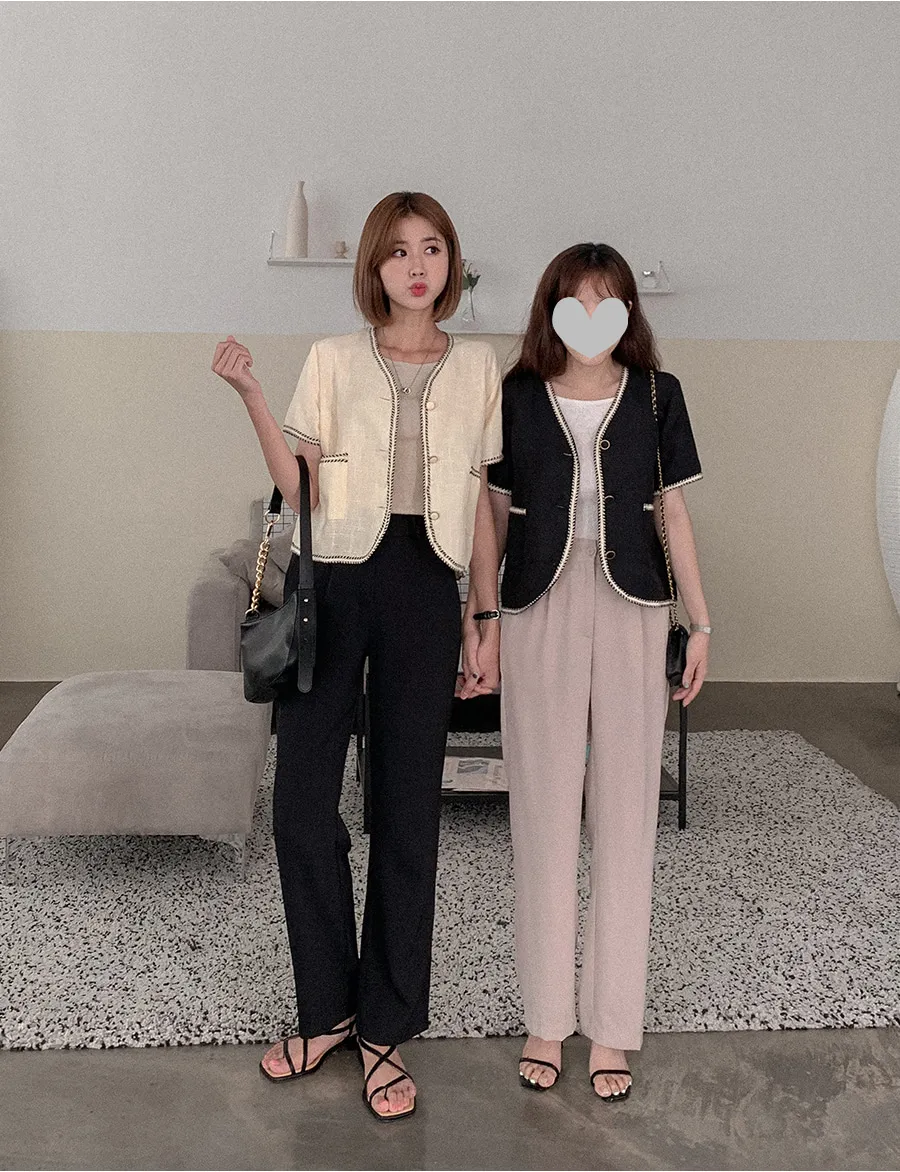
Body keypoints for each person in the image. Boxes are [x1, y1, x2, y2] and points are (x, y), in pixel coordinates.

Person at [211, 192, 502, 1120]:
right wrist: (254, 399)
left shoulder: (479, 366)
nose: (417, 265)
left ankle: (385, 1028)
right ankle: (327, 1008)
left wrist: (484, 615)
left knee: (408, 812)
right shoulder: (332, 359)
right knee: (302, 805)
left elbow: (482, 500)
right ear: (374, 266)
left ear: (451, 263)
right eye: (398, 251)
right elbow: (296, 487)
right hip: (333, 583)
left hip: (427, 585)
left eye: (432, 248)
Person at [487, 243, 711, 1102]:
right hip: (536, 604)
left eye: (607, 301)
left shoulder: (658, 394)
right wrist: (482, 618)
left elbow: (674, 513)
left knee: (625, 816)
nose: (591, 317)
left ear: (627, 312)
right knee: (542, 812)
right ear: (551, 308)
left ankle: (612, 1025)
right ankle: (547, 1017)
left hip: (634, 606)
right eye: (575, 301)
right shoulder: (515, 395)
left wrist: (701, 622)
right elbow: (492, 512)